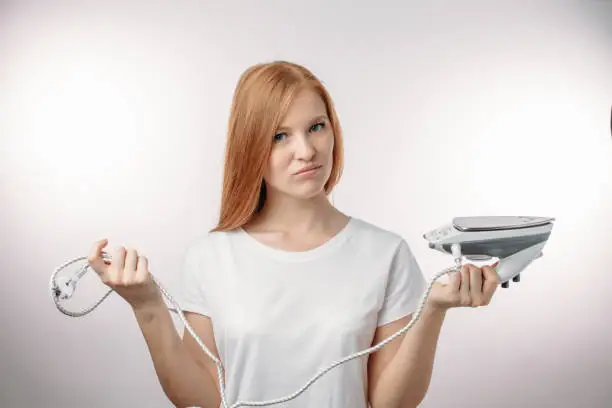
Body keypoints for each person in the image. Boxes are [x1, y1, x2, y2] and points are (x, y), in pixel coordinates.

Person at [87, 60, 501, 408]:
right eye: (279, 136)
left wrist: (433, 311)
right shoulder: (211, 257)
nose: (306, 151)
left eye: (316, 127)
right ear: (250, 147)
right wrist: (147, 307)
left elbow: (390, 402)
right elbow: (201, 396)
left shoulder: (385, 254)